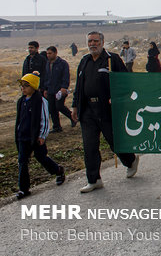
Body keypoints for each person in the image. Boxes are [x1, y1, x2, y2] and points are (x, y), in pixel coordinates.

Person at [71, 31, 138, 193]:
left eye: (95, 41)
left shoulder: (111, 59)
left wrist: (117, 98)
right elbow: (79, 86)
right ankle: (94, 180)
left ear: (102, 42)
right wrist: (75, 106)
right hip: (87, 110)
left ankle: (130, 160)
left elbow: (125, 82)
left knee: (113, 140)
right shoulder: (84, 61)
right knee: (90, 146)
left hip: (106, 110)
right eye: (90, 41)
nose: (92, 44)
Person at [15, 72, 65, 200]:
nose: (23, 88)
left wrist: (42, 135)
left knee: (41, 157)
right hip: (23, 137)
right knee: (22, 162)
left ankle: (58, 171)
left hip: (36, 137)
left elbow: (44, 119)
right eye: (22, 86)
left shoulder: (40, 101)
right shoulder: (21, 101)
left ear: (33, 86)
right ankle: (23, 189)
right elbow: (19, 120)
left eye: (26, 86)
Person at [43, 46, 72, 132]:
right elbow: (47, 77)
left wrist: (64, 87)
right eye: (47, 53)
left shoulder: (62, 63)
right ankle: (57, 127)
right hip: (50, 90)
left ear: (55, 53)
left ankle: (72, 117)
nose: (48, 55)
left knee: (59, 106)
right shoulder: (47, 64)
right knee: (52, 108)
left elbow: (66, 76)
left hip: (60, 90)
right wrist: (45, 89)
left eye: (50, 53)